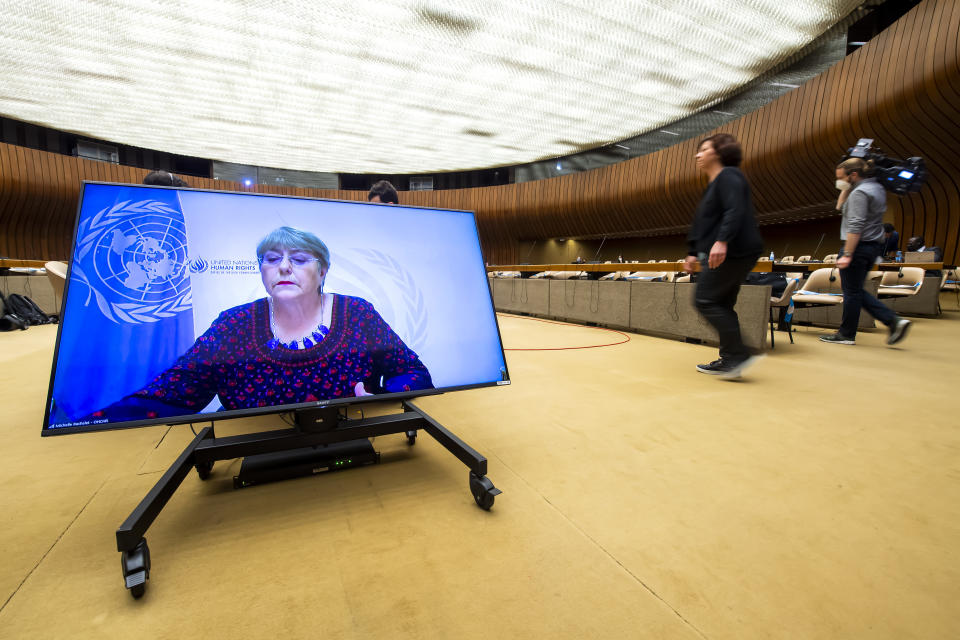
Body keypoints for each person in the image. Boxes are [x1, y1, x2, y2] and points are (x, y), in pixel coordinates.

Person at [95, 226, 433, 421]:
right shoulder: (233, 325)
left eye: (299, 259)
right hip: (255, 453)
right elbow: (172, 393)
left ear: (323, 271)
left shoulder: (358, 313)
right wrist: (94, 422)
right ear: (262, 270)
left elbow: (415, 373)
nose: (284, 267)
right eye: (272, 259)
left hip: (351, 445)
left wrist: (377, 398)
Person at [683, 133, 764, 378]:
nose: (698, 154)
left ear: (718, 153)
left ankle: (737, 355)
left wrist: (722, 240)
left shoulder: (729, 175)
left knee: (705, 300)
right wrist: (692, 252)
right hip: (729, 250)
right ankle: (731, 359)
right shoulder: (714, 184)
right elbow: (702, 224)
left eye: (704, 149)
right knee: (722, 304)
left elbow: (735, 209)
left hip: (735, 249)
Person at [820, 158, 911, 346]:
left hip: (857, 246)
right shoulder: (876, 188)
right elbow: (840, 207)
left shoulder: (859, 193)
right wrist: (847, 187)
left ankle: (847, 334)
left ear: (853, 175)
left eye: (842, 178)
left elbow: (855, 225)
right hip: (872, 247)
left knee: (852, 292)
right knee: (855, 290)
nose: (839, 182)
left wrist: (847, 254)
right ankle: (893, 321)